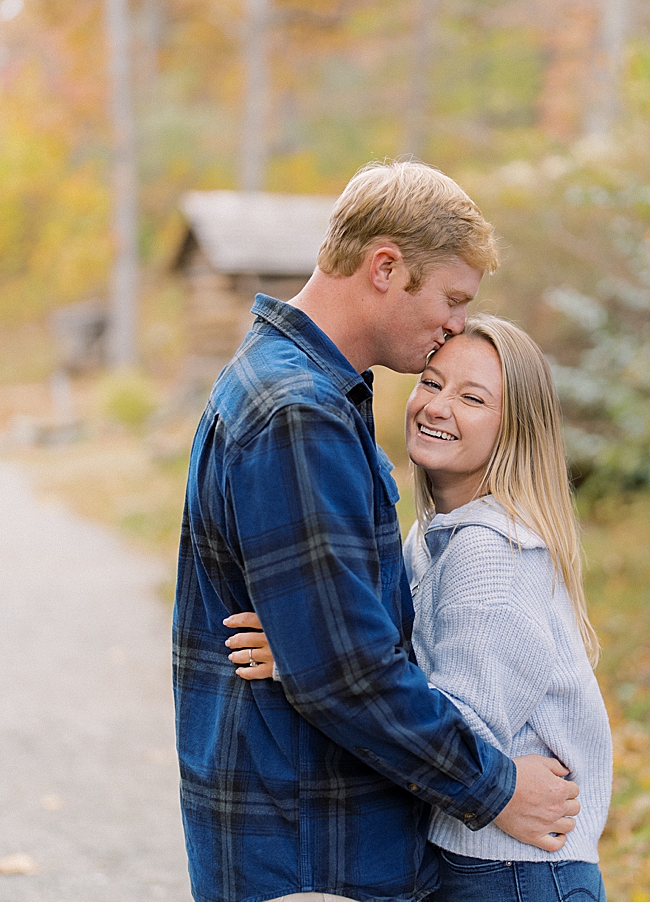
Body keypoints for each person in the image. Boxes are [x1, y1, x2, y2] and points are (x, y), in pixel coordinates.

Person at [172, 160, 581, 903]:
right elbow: (350, 674)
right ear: (386, 267)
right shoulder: (298, 411)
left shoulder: (297, 386)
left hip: (304, 833)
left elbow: (338, 646)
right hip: (310, 851)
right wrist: (495, 788)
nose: (455, 323)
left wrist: (303, 649)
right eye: (453, 298)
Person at [225, 314, 613, 902]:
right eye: (431, 383)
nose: (436, 406)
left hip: (518, 873)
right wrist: (307, 649)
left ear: (515, 430)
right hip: (473, 857)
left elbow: (459, 729)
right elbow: (383, 649)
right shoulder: (434, 537)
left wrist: (318, 661)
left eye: (472, 398)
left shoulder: (492, 553)